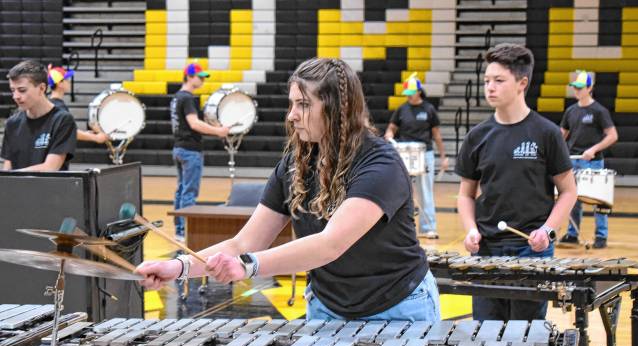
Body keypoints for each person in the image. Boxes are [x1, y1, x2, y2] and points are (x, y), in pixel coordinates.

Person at [137, 57, 440, 323]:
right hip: (328, 308)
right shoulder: (295, 166)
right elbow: (244, 242)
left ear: (336, 109)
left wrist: (248, 266)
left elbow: (329, 244)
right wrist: (177, 267)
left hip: (398, 307)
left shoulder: (379, 163)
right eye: (292, 104)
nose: (291, 115)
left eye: (304, 104)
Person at [456, 43, 577, 321]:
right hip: (487, 250)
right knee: (486, 336)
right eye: (487, 80)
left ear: (522, 83)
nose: (490, 87)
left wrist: (547, 230)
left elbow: (568, 191)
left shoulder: (546, 133)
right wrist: (471, 230)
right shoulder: (477, 136)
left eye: (499, 80)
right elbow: (465, 195)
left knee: (527, 335)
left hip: (531, 248)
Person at [384, 72, 449, 239]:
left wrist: (443, 157)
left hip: (424, 154)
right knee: (402, 191)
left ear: (419, 91)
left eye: (411, 93)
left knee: (425, 191)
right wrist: (389, 135)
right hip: (405, 153)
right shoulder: (401, 110)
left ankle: (429, 228)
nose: (409, 97)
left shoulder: (428, 109)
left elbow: (437, 135)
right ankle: (404, 229)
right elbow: (391, 128)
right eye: (407, 94)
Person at [559, 71, 618, 249]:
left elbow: (612, 135)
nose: (576, 91)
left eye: (580, 87)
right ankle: (572, 234)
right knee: (572, 200)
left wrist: (593, 149)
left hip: (592, 162)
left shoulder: (599, 111)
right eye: (575, 87)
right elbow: (561, 135)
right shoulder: (571, 111)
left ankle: (601, 236)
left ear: (590, 88)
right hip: (572, 161)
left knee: (598, 201)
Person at [171, 62, 230, 241]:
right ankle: (183, 232)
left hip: (179, 148)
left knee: (181, 190)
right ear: (189, 77)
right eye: (200, 77)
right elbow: (194, 124)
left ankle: (179, 230)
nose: (203, 80)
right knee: (189, 192)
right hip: (190, 150)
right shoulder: (187, 98)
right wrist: (218, 131)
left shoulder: (177, 97)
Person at [1, 60, 77, 171]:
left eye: (22, 90)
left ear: (42, 88)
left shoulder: (62, 120)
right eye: (13, 90)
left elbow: (50, 168)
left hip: (50, 188)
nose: (15, 96)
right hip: (18, 188)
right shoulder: (12, 123)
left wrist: (13, 176)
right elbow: (7, 168)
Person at [47, 65, 110, 145]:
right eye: (67, 80)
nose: (69, 82)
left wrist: (86, 134)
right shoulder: (58, 106)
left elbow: (68, 129)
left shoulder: (53, 104)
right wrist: (96, 138)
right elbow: (68, 131)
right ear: (60, 84)